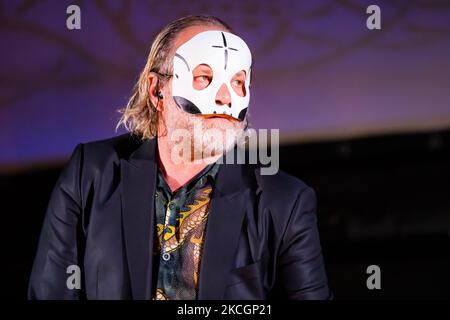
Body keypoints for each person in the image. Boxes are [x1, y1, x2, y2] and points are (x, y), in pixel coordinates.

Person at [28, 15, 332, 300]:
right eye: (204, 77)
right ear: (157, 90)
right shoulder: (90, 174)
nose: (225, 96)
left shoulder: (284, 202)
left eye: (239, 81)